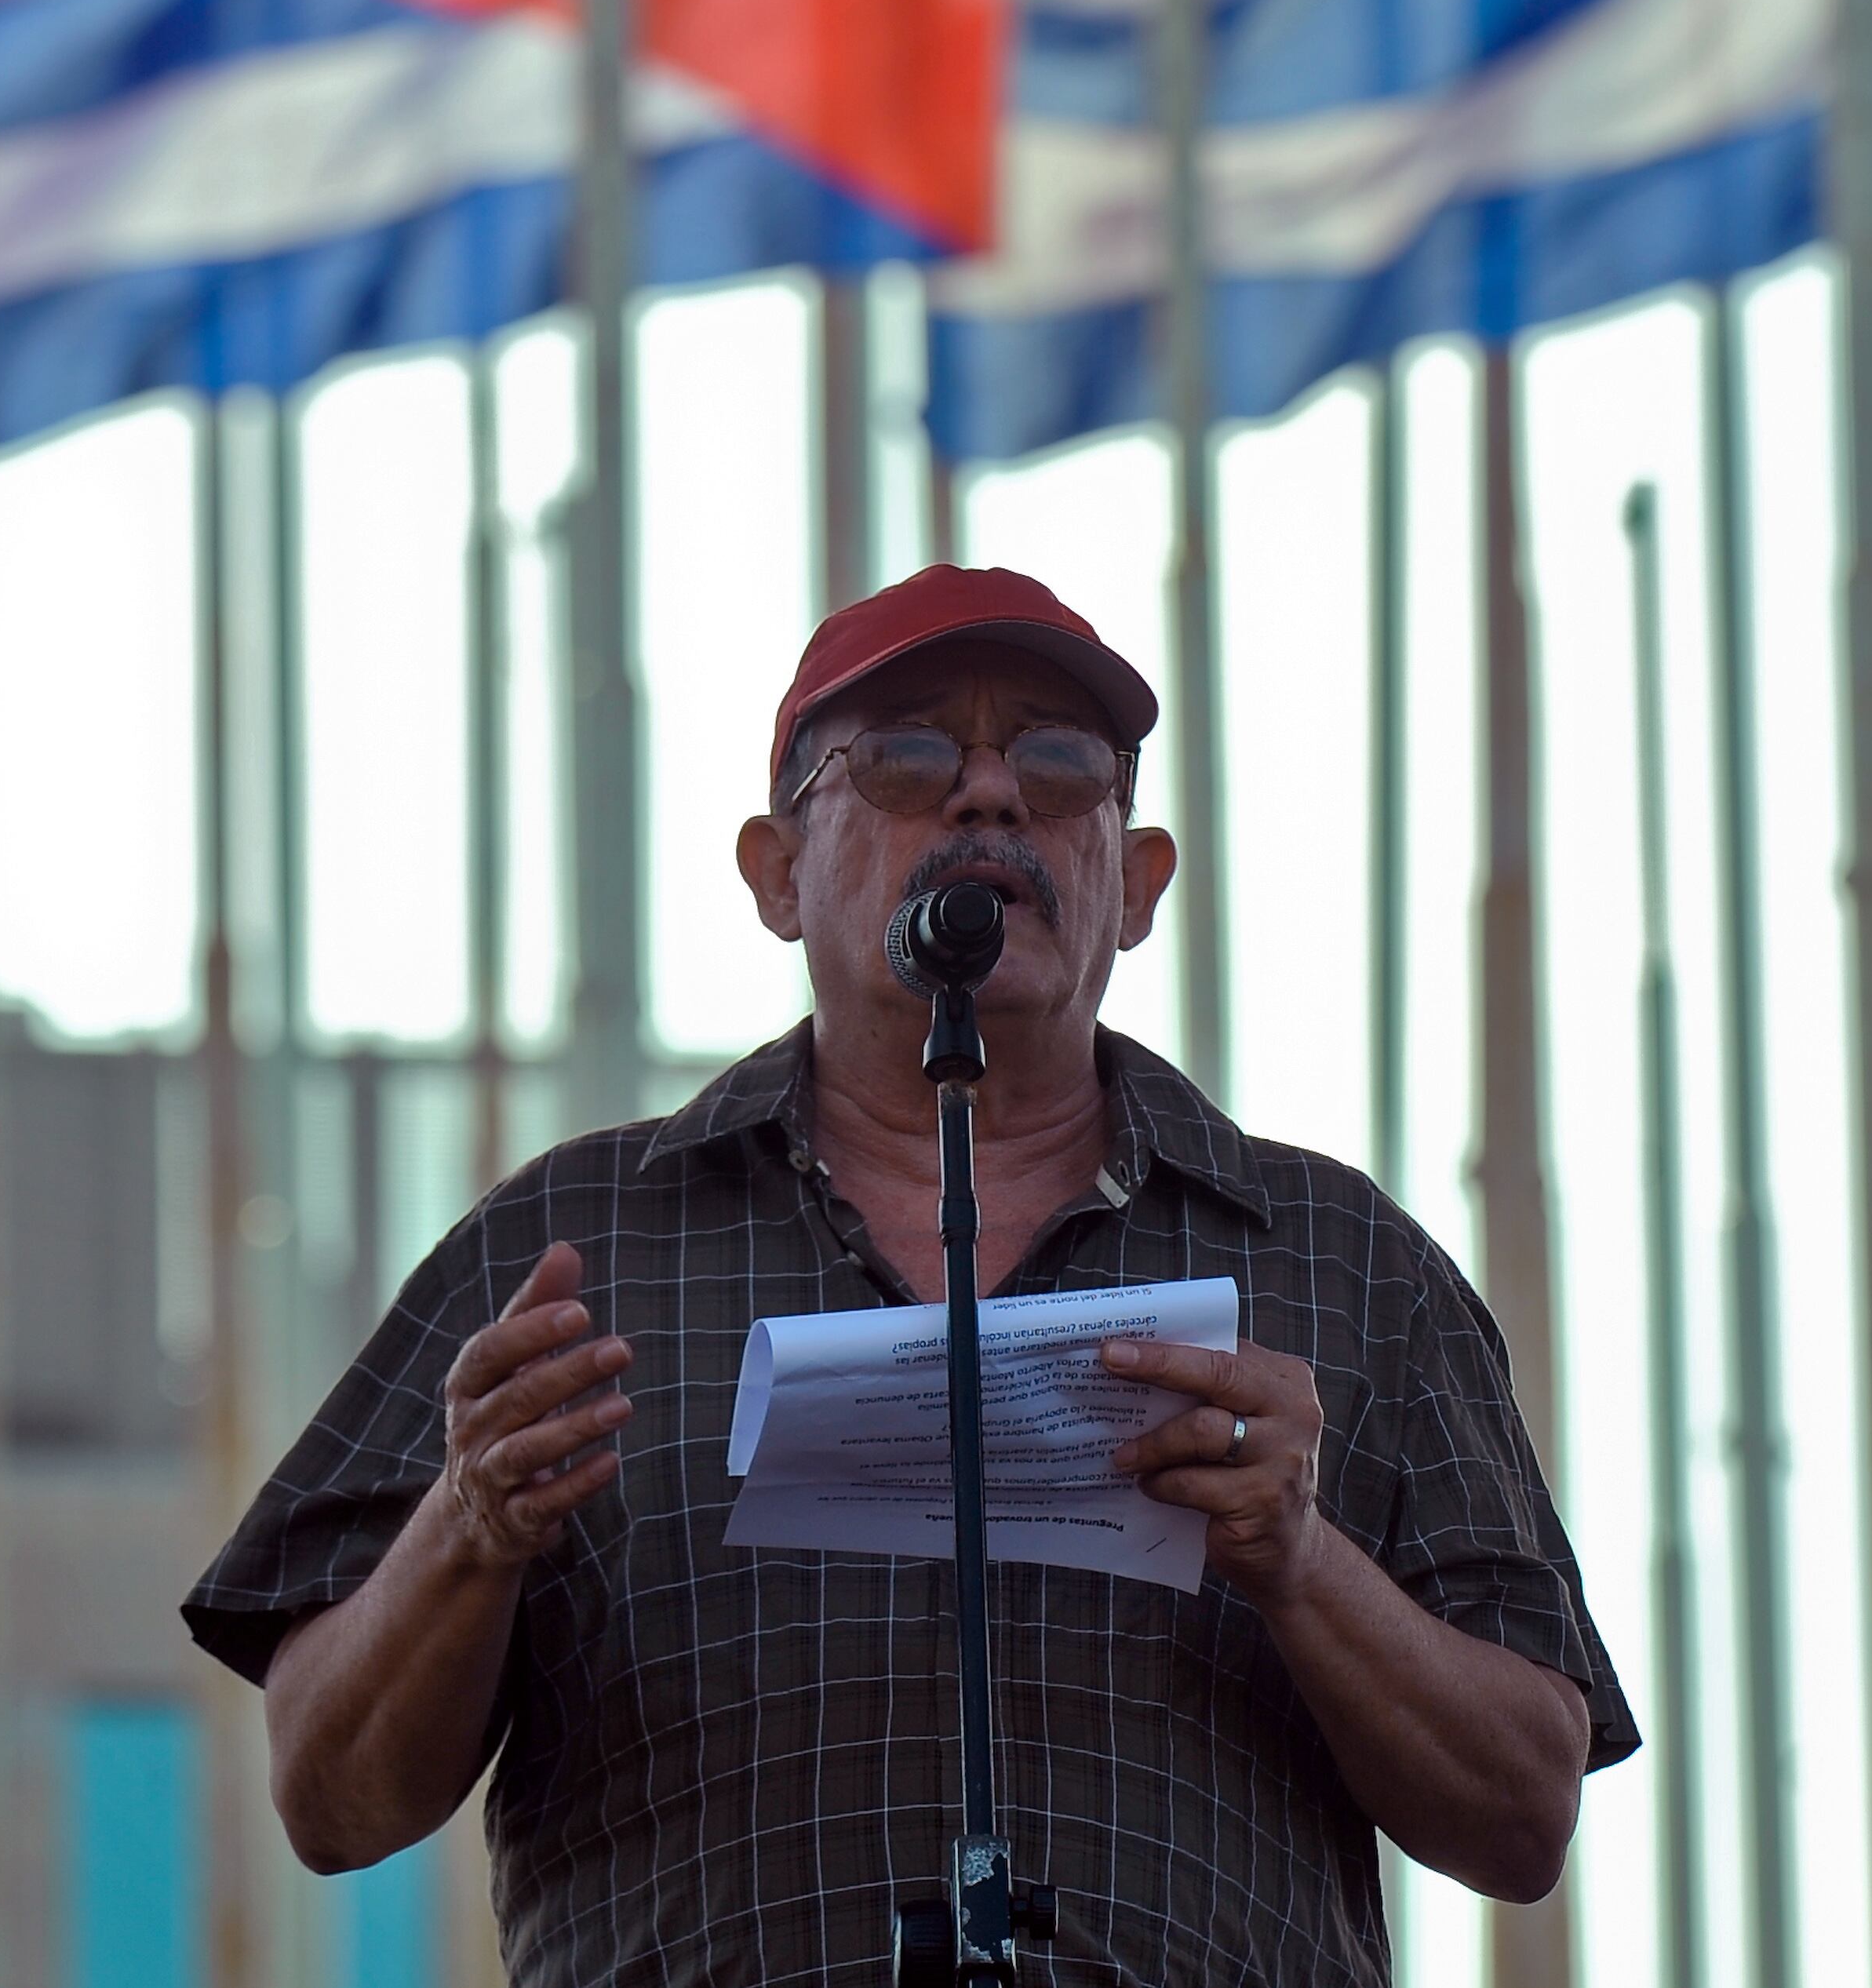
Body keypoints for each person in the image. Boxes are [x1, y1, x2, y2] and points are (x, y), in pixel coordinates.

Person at [184, 563, 1637, 1983]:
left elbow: (1525, 1814)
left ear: (1136, 885)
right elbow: (332, 1797)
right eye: (905, 755)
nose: (991, 793)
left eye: (1062, 762)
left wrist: (1300, 1562)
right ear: (775, 872)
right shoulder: (573, 1246)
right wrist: (471, 1522)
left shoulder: (1341, 1260)